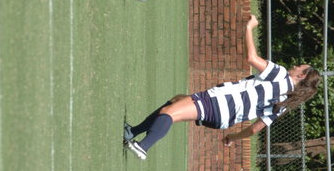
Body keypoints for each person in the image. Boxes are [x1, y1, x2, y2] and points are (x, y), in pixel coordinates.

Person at [123, 15, 321, 160]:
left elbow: (251, 58)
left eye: (299, 67)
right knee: (177, 100)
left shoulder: (280, 75)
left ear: (301, 75)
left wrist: (249, 28)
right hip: (225, 119)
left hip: (220, 102)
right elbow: (255, 129)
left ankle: (143, 147)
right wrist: (233, 137)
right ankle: (133, 131)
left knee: (169, 113)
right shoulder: (286, 102)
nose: (296, 65)